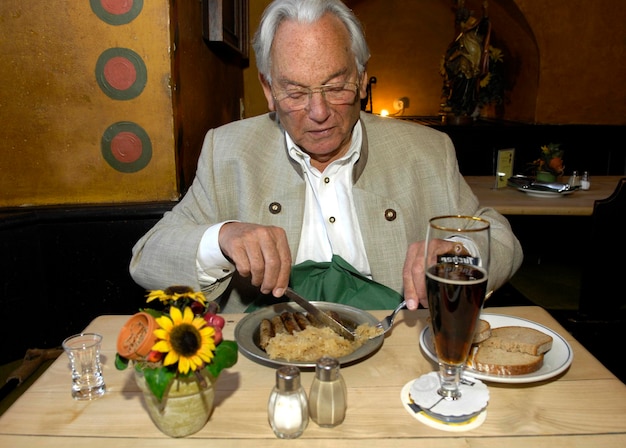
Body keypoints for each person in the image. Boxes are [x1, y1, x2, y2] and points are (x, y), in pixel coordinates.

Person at [130, 0, 523, 313]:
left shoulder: (428, 151)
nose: (318, 113)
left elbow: (502, 240)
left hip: (396, 357)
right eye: (296, 93)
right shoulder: (227, 150)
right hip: (267, 366)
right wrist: (223, 237)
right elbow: (147, 257)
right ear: (268, 89)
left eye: (336, 87)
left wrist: (457, 252)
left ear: (361, 76)